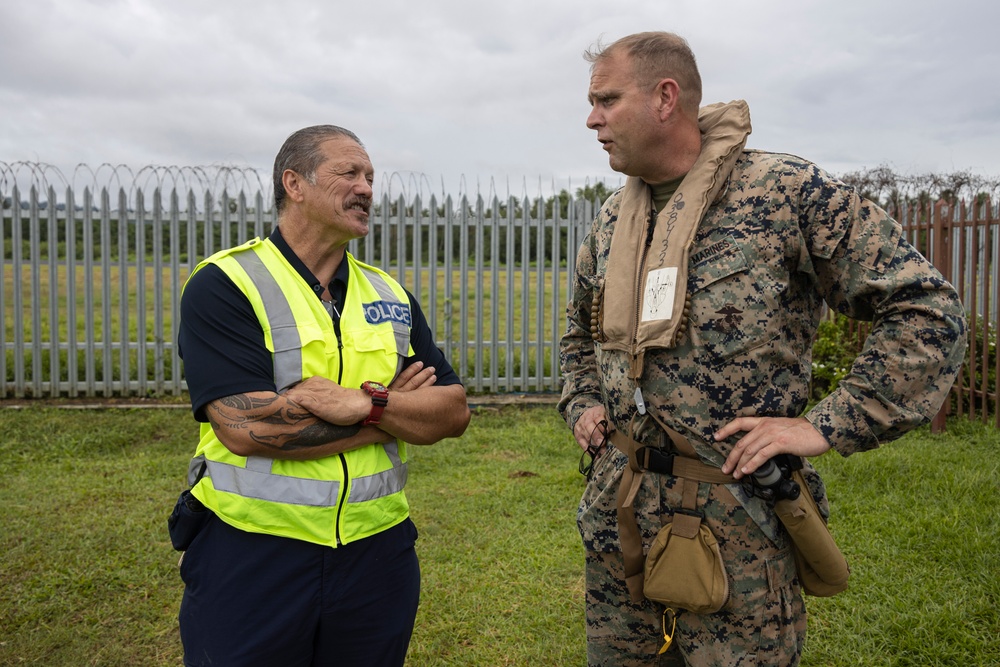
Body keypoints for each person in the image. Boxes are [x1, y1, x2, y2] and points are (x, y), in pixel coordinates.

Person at [558, 32, 967, 667]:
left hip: (738, 524)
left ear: (666, 98)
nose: (592, 118)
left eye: (606, 100)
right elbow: (580, 334)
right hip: (622, 516)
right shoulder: (614, 218)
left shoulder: (783, 193)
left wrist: (825, 425)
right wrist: (583, 398)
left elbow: (926, 309)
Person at [173, 124, 471, 666]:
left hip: (377, 555)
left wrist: (367, 404)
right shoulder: (227, 283)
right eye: (349, 173)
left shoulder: (390, 295)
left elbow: (452, 411)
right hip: (254, 554)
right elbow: (245, 427)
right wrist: (395, 415)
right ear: (295, 183)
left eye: (371, 177)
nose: (366, 188)